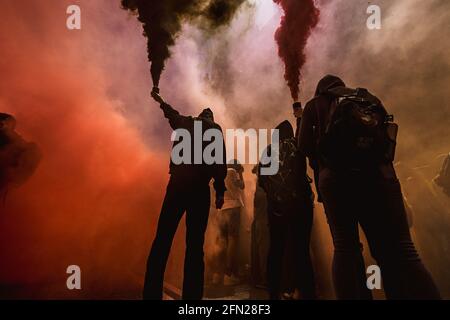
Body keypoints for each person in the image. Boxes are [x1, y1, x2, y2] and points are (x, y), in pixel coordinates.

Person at [298, 74, 441, 300]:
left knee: (346, 248)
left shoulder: (315, 105)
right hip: (380, 178)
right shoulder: (368, 98)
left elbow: (304, 146)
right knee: (402, 250)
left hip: (338, 182)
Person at [143, 91, 227, 300]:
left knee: (163, 238)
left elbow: (171, 114)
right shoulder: (215, 130)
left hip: (177, 186)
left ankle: (151, 293)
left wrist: (161, 100)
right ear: (212, 119)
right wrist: (219, 192)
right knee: (195, 246)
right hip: (199, 190)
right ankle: (192, 298)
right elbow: (219, 165)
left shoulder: (186, 122)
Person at [259, 120, 316, 300]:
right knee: (301, 250)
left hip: (276, 209)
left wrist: (275, 198)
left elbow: (262, 180)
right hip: (300, 207)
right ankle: (306, 292)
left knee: (276, 249)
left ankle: (274, 293)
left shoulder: (268, 150)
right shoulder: (297, 146)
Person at [213, 160, 245, 286]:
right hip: (233, 208)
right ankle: (228, 274)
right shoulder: (233, 172)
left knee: (221, 241)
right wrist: (241, 173)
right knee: (233, 239)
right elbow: (242, 185)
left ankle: (217, 274)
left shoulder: (219, 173)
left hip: (221, 208)